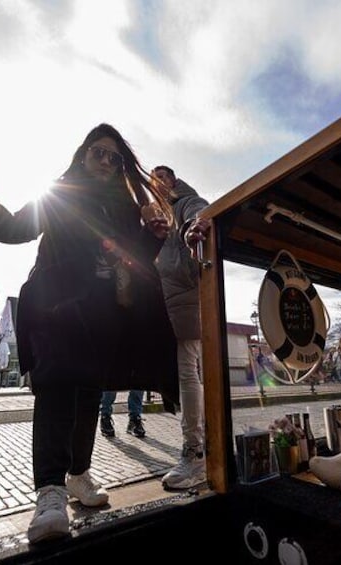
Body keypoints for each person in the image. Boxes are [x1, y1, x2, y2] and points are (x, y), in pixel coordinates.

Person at [0, 124, 178, 544]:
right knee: (59, 387)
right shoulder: (61, 192)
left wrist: (151, 237)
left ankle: (78, 475)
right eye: (99, 153)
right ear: (83, 155)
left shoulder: (124, 206)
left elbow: (133, 258)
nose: (106, 162)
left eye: (114, 158)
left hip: (102, 312)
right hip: (57, 305)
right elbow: (21, 225)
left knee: (89, 394)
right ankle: (50, 493)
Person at [150, 165, 210, 490]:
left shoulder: (183, 201)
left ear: (172, 180)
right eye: (153, 177)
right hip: (164, 301)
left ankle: (195, 453)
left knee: (188, 371)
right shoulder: (154, 212)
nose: (156, 181)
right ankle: (203, 446)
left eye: (161, 176)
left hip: (186, 296)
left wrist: (195, 227)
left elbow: (199, 211)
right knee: (181, 372)